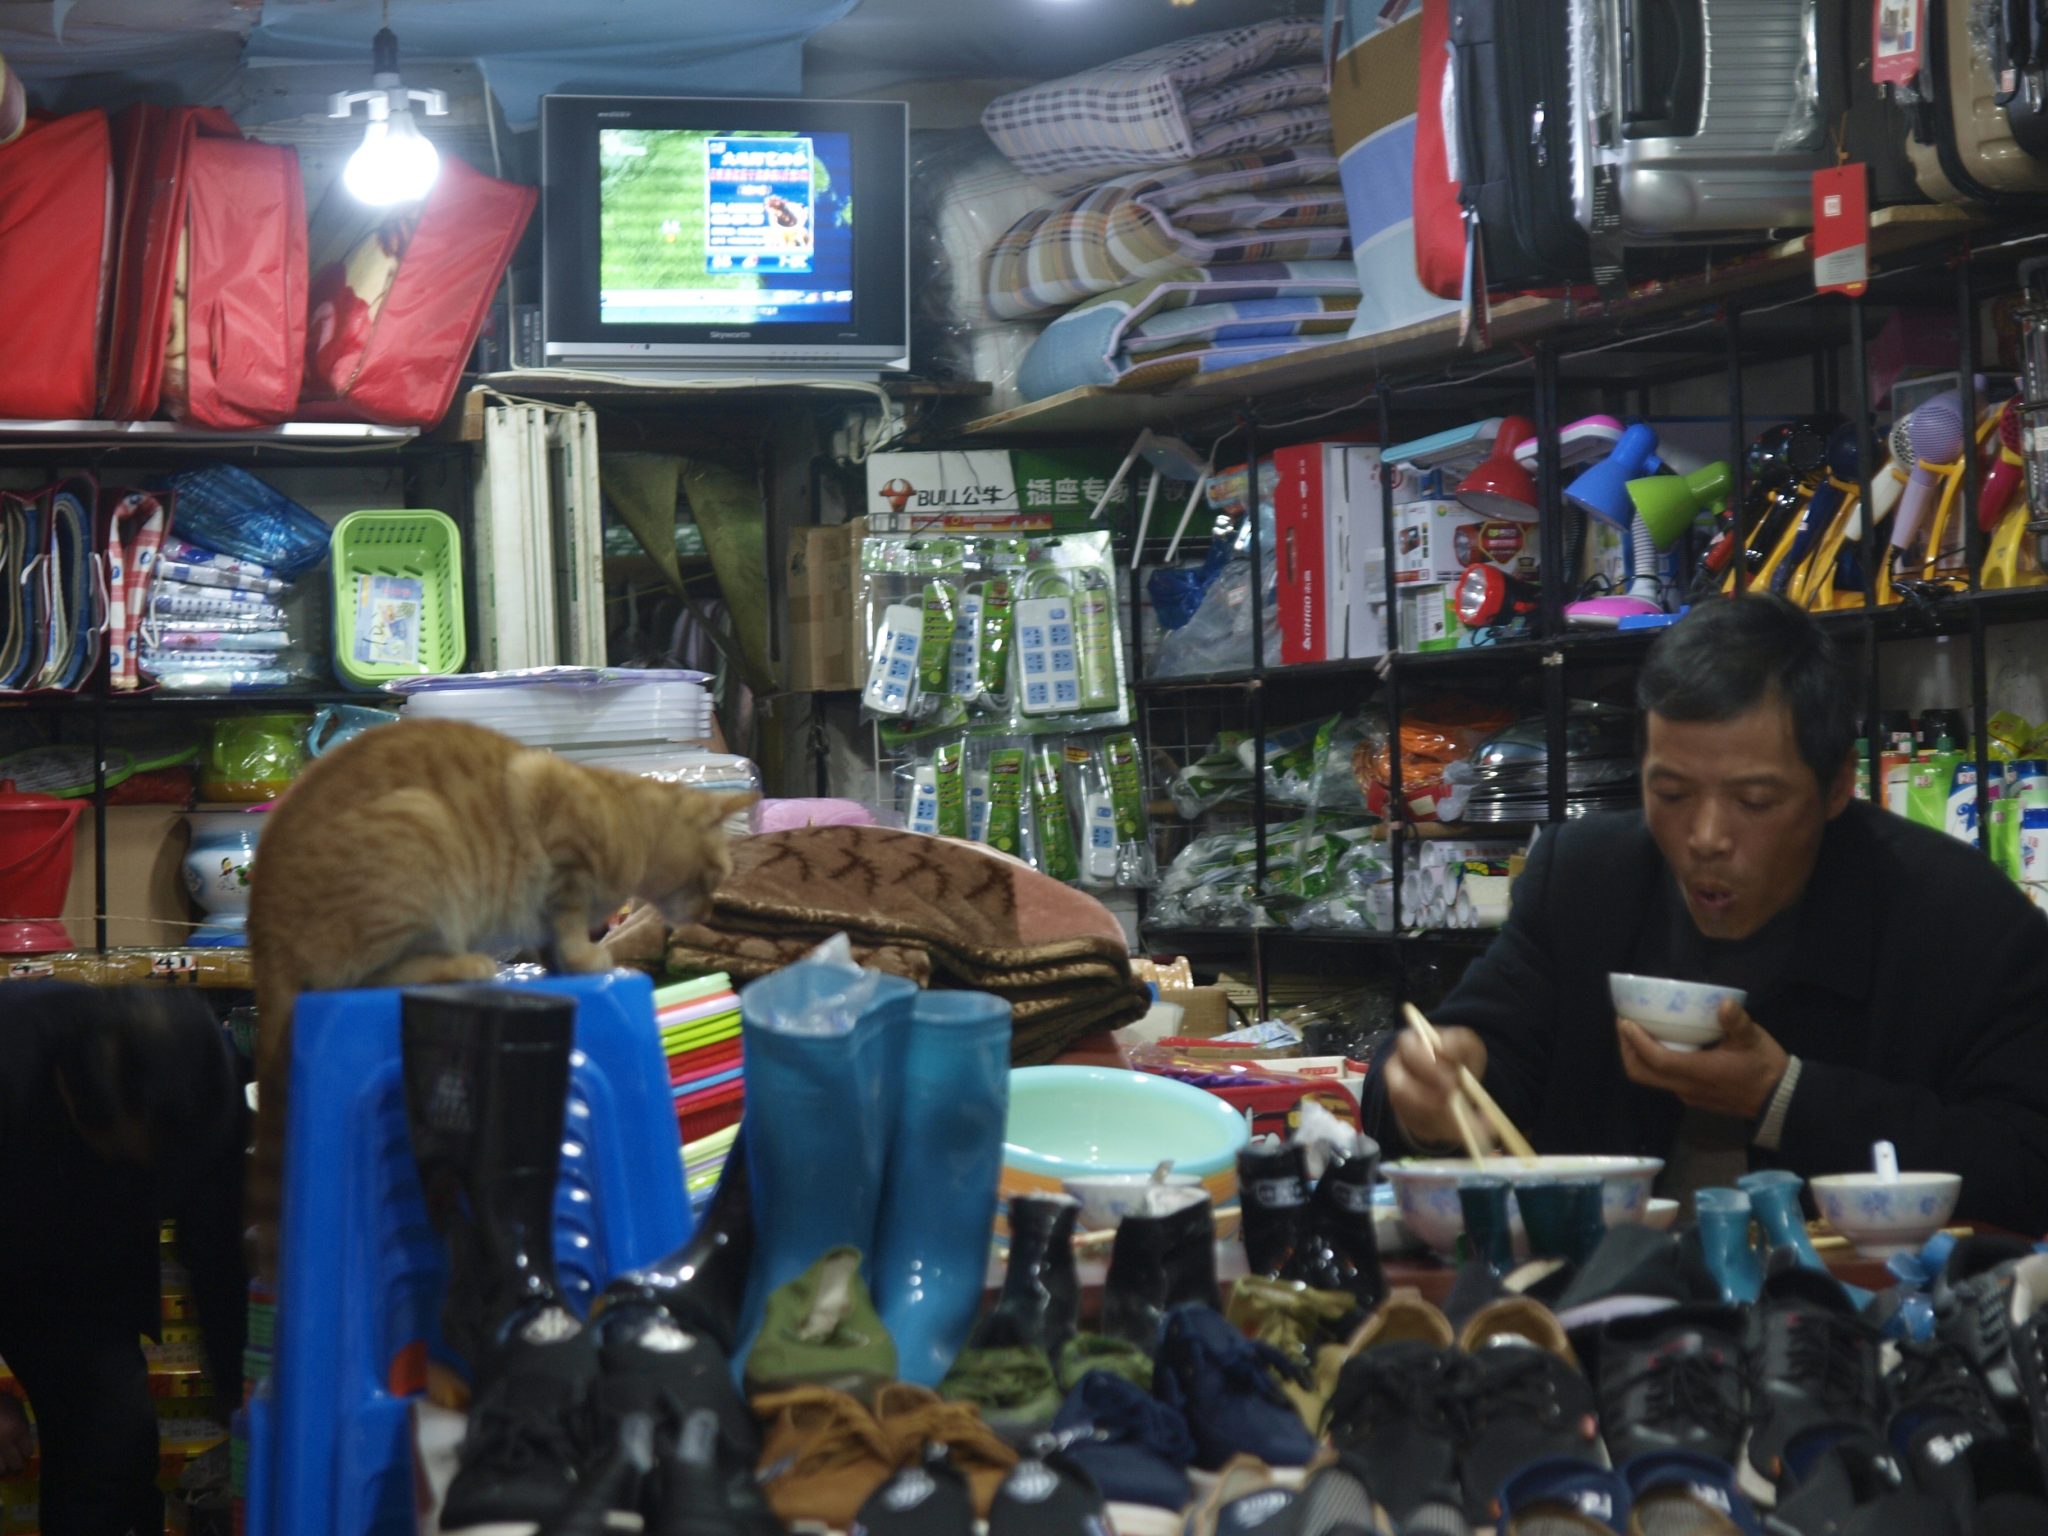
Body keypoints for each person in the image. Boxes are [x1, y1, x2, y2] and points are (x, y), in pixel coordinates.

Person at [1365, 593, 2048, 1233]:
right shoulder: (1585, 880)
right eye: (1672, 793)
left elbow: (2026, 1162)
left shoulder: (1955, 917)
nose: (1705, 837)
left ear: (1839, 783)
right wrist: (1428, 1091)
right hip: (1593, 1320)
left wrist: (1783, 1097)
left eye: (1754, 801)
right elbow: (1480, 1053)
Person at [0, 985, 248, 1536]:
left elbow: (218, 1248)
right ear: (69, 1093)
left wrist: (236, 1394)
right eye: (119, 1155)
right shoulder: (12, 1056)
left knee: (115, 1446)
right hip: (13, 1243)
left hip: (88, 1282)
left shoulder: (205, 1086)